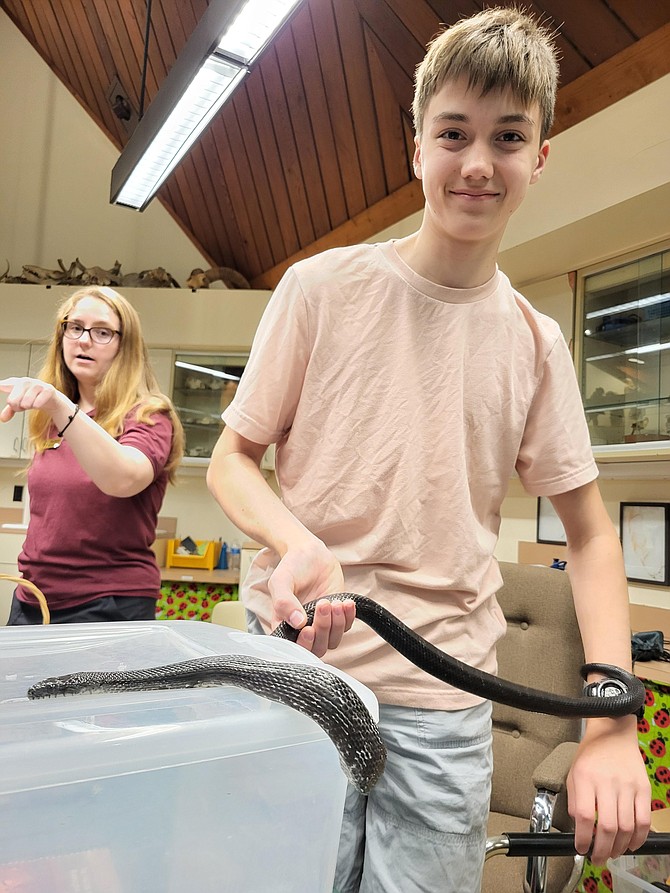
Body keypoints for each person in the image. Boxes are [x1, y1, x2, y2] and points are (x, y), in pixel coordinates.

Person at [206, 7, 651, 891]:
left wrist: (611, 723)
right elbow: (231, 459)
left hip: (444, 707)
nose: (478, 162)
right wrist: (297, 542)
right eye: (453, 133)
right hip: (299, 670)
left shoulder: (534, 344)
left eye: (508, 137)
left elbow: (594, 536)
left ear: (539, 160)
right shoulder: (320, 289)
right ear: (416, 146)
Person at [0, 285, 183, 624]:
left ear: (124, 346)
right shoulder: (50, 416)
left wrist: (59, 405)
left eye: (102, 332)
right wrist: (58, 407)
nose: (84, 340)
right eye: (75, 327)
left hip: (108, 603)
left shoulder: (148, 414)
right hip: (32, 599)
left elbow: (124, 478)